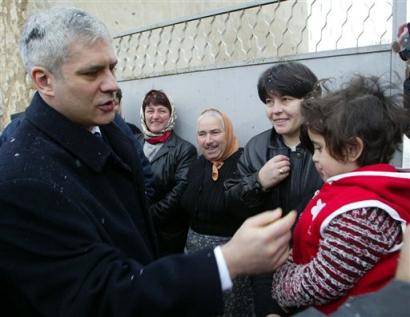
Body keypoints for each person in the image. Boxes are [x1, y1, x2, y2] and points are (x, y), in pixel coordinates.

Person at [0, 7, 297, 316]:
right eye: (92, 72)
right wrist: (228, 260)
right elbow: (101, 297)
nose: (112, 84)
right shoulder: (22, 180)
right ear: (44, 80)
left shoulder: (109, 126)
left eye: (112, 68)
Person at [271, 75, 410, 315]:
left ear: (352, 149)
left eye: (319, 148)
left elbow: (321, 282)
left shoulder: (363, 213)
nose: (314, 158)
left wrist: (280, 280)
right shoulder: (346, 190)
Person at [225, 62, 324, 316]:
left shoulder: (328, 145)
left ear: (310, 99)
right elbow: (232, 204)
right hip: (270, 263)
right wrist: (258, 181)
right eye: (269, 101)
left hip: (320, 266)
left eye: (286, 99)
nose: (276, 110)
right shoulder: (257, 147)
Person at [182, 108, 254, 316]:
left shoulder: (243, 164)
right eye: (202, 134)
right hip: (195, 256)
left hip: (231, 259)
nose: (208, 140)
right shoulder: (198, 164)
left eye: (215, 132)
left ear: (228, 132)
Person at [137, 89, 197, 255]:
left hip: (167, 235)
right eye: (150, 110)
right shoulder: (133, 142)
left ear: (171, 115)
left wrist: (147, 217)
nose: (155, 116)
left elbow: (180, 191)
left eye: (162, 110)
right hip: (136, 231)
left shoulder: (184, 150)